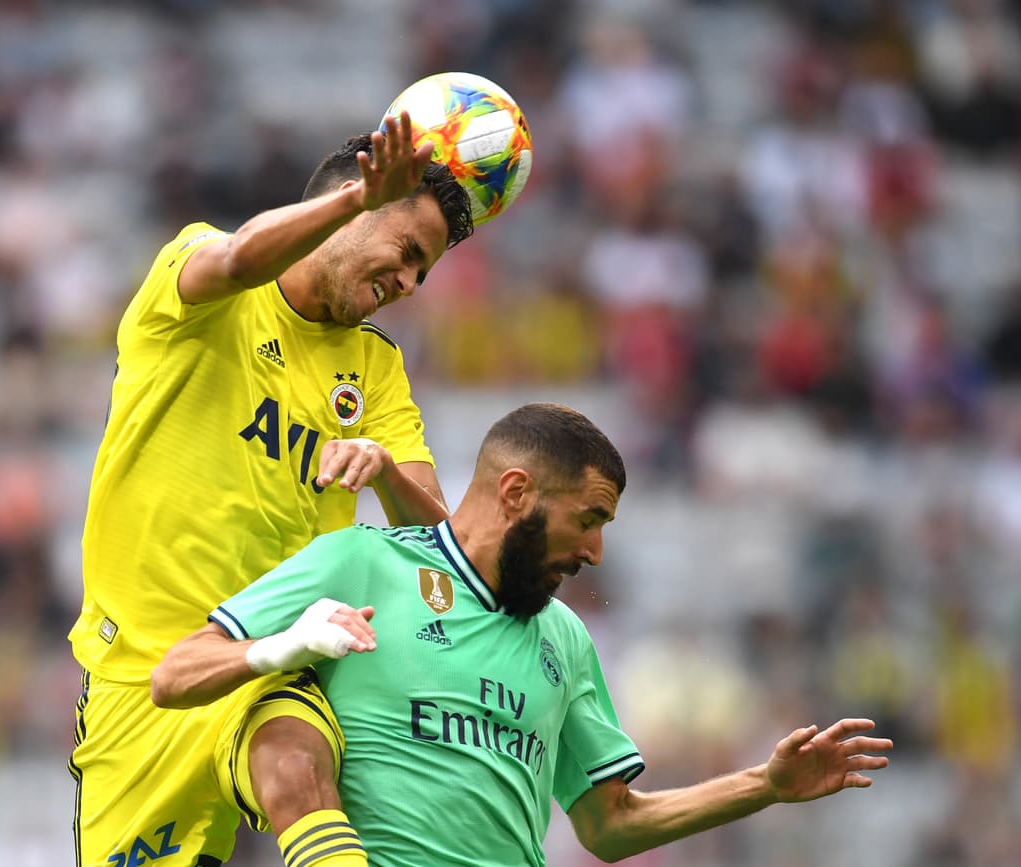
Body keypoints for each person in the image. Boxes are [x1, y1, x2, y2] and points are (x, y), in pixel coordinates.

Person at [152, 402, 894, 867]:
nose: (596, 553)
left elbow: (608, 825)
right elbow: (176, 673)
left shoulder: (565, 638)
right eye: (589, 519)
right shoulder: (361, 561)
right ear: (517, 493)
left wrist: (762, 785)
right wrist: (280, 649)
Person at [66, 112, 475, 867]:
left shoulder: (375, 368)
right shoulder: (197, 279)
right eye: (409, 253)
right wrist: (353, 201)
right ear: (355, 204)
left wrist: (383, 466)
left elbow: (442, 538)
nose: (412, 284)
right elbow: (242, 258)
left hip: (276, 651)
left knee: (297, 773)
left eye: (426, 272)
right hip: (136, 677)